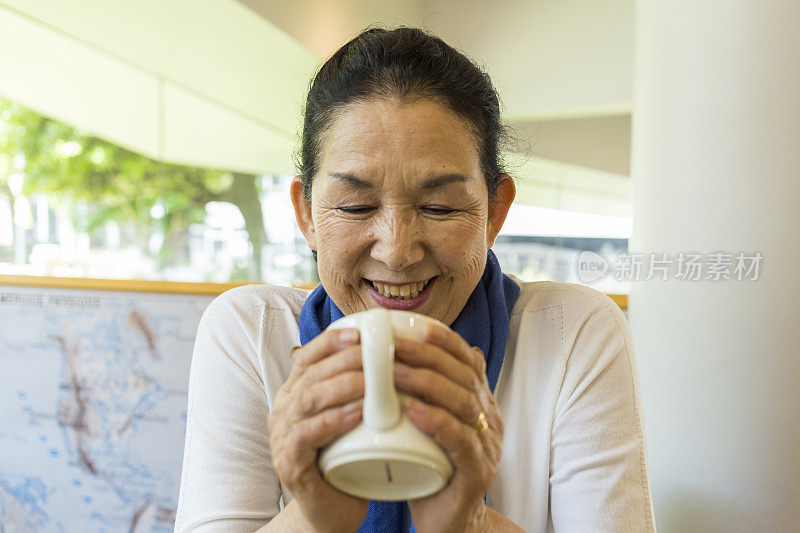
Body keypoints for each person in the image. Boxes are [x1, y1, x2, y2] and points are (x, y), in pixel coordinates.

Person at [174, 27, 655, 532]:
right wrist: (313, 516)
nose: (398, 250)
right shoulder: (252, 334)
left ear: (495, 211)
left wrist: (468, 521)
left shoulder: (568, 333)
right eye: (356, 206)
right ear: (307, 214)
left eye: (438, 206)